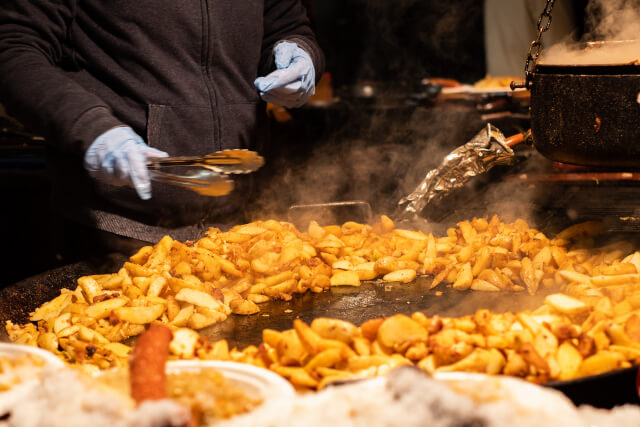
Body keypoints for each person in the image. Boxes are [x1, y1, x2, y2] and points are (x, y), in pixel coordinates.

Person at [0, 1, 325, 257]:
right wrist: (92, 128)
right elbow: (14, 49)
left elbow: (288, 25)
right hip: (116, 234)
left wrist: (301, 55)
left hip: (243, 229)